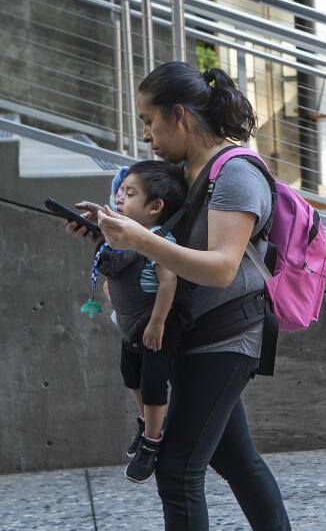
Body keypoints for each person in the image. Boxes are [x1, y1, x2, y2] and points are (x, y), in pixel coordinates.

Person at [67, 62, 292, 530]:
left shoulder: (236, 174)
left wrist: (140, 239)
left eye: (149, 120)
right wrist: (110, 231)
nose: (146, 134)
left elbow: (222, 266)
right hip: (194, 331)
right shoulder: (184, 169)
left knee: (176, 470)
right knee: (235, 460)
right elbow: (163, 244)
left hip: (227, 334)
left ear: (181, 116)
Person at [95, 160, 186, 483]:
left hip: (154, 328)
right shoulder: (124, 235)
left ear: (155, 206)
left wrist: (158, 322)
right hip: (130, 326)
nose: (120, 197)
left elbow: (169, 282)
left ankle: (152, 441)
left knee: (152, 384)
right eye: (120, 191)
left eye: (129, 193)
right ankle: (143, 422)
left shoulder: (158, 240)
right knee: (130, 375)